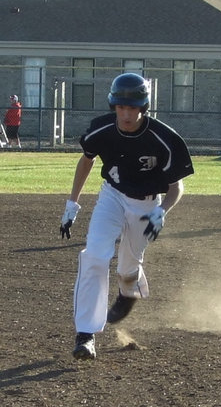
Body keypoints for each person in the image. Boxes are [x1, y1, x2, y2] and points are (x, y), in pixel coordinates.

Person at [61, 72, 194, 361]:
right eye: (120, 107)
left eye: (132, 108)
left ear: (143, 107)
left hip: (147, 204)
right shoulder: (102, 129)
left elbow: (176, 186)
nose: (125, 113)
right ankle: (86, 335)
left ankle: (128, 289)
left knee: (127, 267)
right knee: (95, 254)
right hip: (112, 195)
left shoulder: (165, 139)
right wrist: (72, 203)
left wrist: (162, 210)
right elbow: (87, 160)